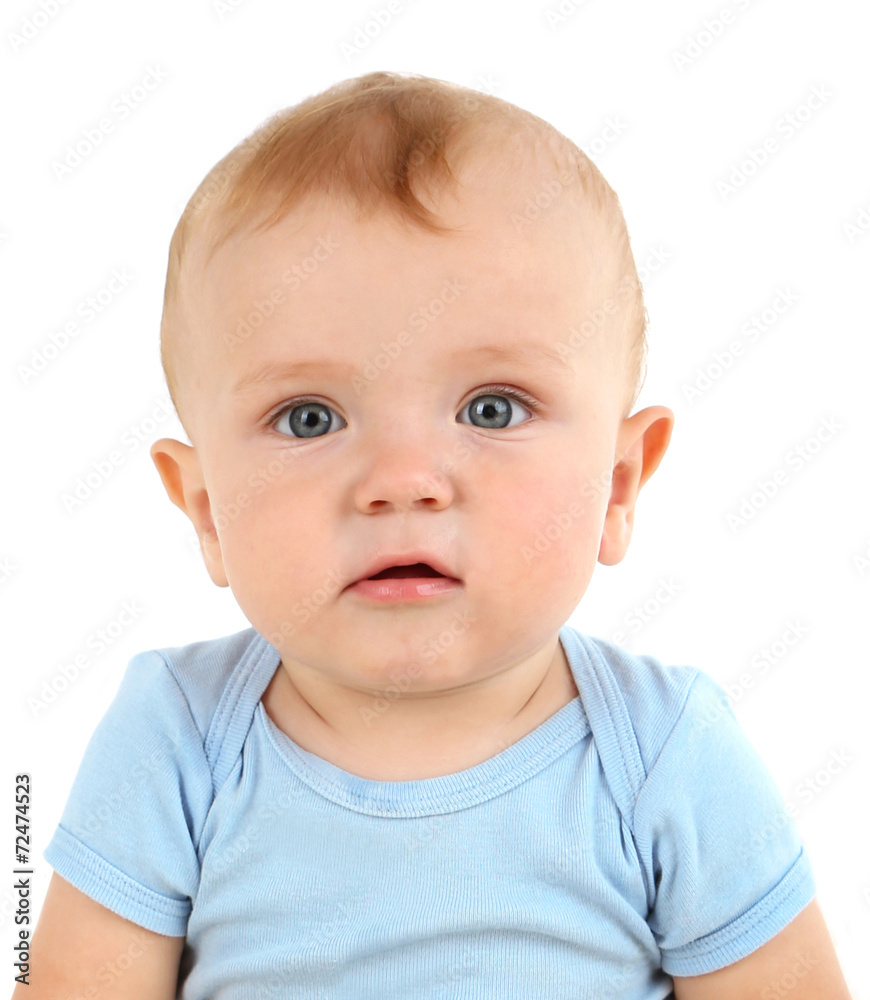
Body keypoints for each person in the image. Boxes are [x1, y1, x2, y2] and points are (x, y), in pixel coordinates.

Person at [20, 70, 853, 998]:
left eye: (492, 408)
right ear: (205, 508)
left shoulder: (664, 754)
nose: (402, 482)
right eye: (308, 418)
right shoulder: (179, 738)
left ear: (618, 484)